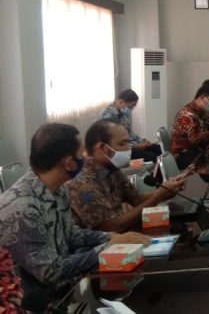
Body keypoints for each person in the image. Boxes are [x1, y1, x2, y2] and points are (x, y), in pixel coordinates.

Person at [0, 123, 149, 297]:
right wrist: (108, 247)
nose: (85, 159)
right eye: (81, 155)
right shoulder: (22, 206)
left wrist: (111, 238)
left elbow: (72, 234)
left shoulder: (58, 190)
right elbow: (50, 272)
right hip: (35, 300)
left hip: (68, 287)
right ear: (69, 164)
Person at [65, 120, 187, 233]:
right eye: (122, 144)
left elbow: (136, 199)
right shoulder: (84, 182)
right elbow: (111, 228)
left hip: (124, 237)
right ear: (103, 148)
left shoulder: (110, 168)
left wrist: (166, 189)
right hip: (105, 245)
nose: (128, 148)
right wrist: (158, 196)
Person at [171, 85, 209, 171]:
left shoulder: (200, 111)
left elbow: (206, 128)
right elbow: (194, 139)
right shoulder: (188, 114)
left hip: (196, 149)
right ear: (202, 98)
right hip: (184, 154)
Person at [100, 88, 162, 163]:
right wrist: (136, 146)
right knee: (152, 156)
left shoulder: (123, 114)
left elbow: (129, 132)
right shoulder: (108, 116)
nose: (131, 109)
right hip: (119, 150)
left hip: (130, 145)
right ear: (121, 102)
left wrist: (142, 140)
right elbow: (114, 142)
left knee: (159, 149)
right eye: (130, 107)